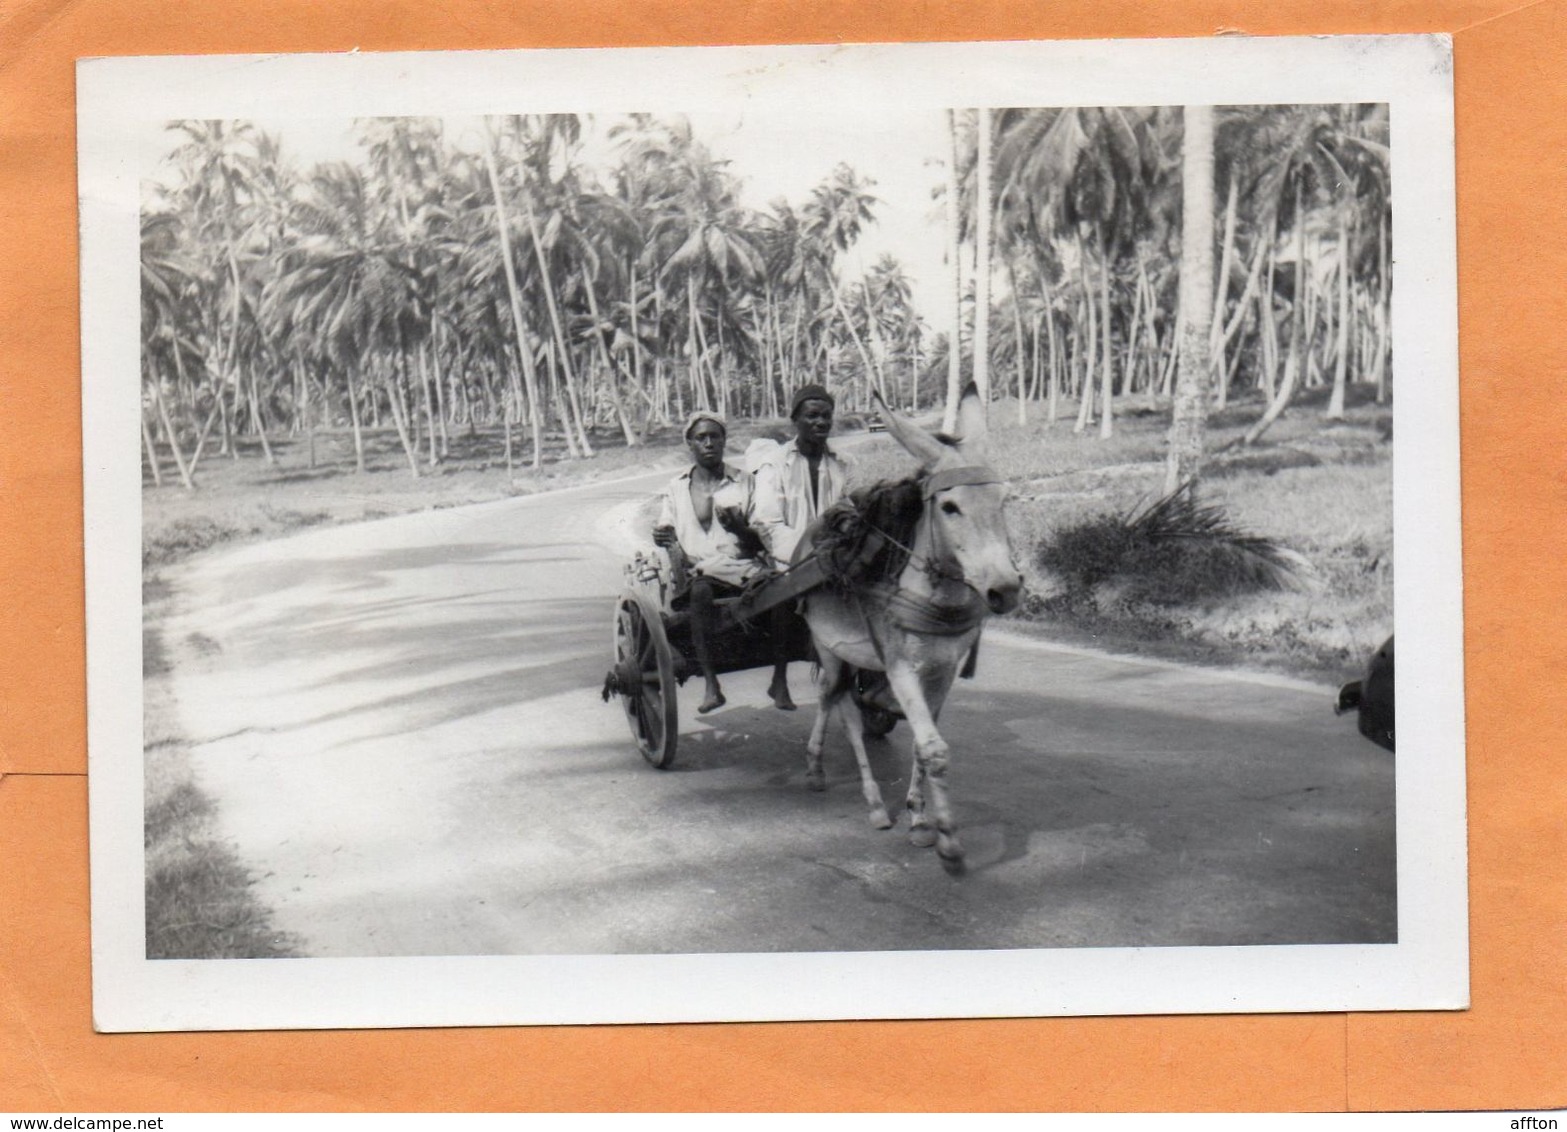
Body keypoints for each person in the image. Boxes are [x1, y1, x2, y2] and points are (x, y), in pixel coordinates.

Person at [653, 411, 764, 715]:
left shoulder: (745, 482)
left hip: (743, 569)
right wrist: (661, 534)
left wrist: (741, 528)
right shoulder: (676, 488)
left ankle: (779, 677)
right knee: (700, 591)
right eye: (701, 437)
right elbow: (665, 527)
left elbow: (761, 538)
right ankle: (711, 685)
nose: (709, 442)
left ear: (725, 440)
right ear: (689, 443)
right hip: (700, 574)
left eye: (715, 436)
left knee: (782, 587)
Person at [752, 383, 851, 711]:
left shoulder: (842, 463)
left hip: (833, 553)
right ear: (795, 420)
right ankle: (778, 677)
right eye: (812, 416)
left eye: (826, 416)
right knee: (784, 585)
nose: (821, 422)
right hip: (785, 553)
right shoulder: (775, 464)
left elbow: (849, 511)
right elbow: (768, 523)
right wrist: (807, 552)